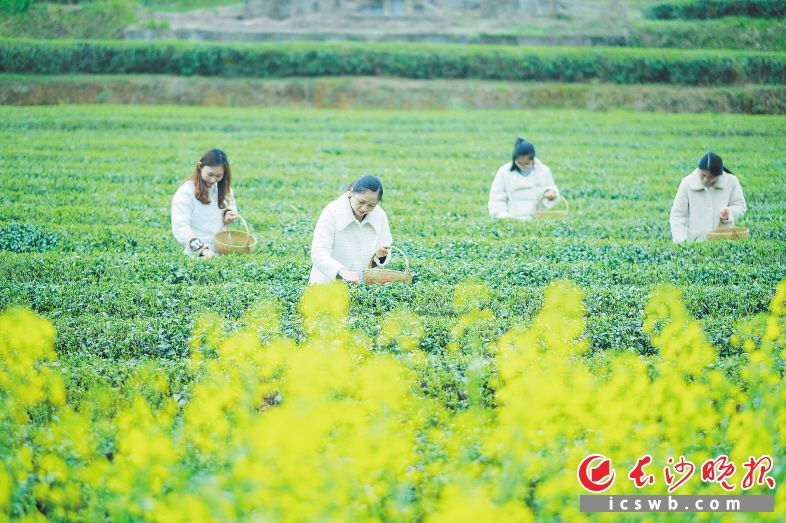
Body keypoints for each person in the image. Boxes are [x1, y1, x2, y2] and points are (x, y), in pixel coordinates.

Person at [309, 175, 392, 285]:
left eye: (371, 205)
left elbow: (386, 246)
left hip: (363, 287)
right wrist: (341, 272)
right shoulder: (332, 212)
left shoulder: (379, 215)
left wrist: (380, 256)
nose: (364, 209)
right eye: (361, 202)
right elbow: (319, 253)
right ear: (351, 192)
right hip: (327, 287)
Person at [171, 148, 238, 258]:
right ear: (200, 166)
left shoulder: (223, 187)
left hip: (223, 249)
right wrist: (202, 250)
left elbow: (231, 204)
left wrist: (228, 213)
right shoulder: (186, 192)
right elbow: (180, 227)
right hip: (198, 254)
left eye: (218, 176)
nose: (213, 180)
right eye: (210, 174)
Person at [670, 152, 747, 243]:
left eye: (710, 177)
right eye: (703, 175)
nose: (705, 180)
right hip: (695, 241)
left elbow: (740, 206)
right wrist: (680, 241)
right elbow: (677, 215)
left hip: (723, 239)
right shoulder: (687, 183)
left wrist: (729, 213)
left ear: (718, 175)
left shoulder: (731, 181)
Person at [488, 137, 560, 220]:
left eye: (526, 163)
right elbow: (497, 197)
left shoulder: (543, 171)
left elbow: (550, 189)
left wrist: (551, 195)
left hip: (535, 219)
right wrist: (504, 217)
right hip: (512, 218)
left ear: (532, 159)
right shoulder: (504, 172)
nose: (523, 166)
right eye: (519, 163)